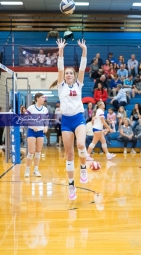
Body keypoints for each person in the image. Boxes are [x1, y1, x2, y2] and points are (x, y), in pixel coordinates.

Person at [49, 38, 88, 200]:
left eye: (71, 73)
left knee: (80, 144)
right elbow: (59, 67)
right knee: (69, 155)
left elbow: (83, 67)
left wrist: (84, 50)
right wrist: (61, 50)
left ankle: (84, 168)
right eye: (67, 73)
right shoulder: (61, 86)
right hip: (66, 121)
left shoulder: (79, 84)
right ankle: (71, 185)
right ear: (64, 76)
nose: (69, 75)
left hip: (78, 118)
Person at [24, 93, 49, 178]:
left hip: (40, 132)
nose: (44, 99)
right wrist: (32, 125)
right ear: (37, 98)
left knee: (38, 152)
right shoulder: (31, 108)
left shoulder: (45, 109)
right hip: (32, 131)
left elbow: (47, 120)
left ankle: (36, 170)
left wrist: (46, 127)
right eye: (42, 97)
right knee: (31, 151)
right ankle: (27, 170)